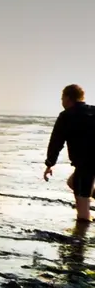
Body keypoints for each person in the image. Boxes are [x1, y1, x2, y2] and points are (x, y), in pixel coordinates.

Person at [44, 84, 95, 221]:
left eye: (62, 98)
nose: (62, 102)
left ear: (68, 98)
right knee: (72, 182)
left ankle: (81, 240)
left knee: (83, 215)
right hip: (88, 164)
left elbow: (56, 142)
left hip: (85, 164)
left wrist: (50, 163)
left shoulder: (66, 116)